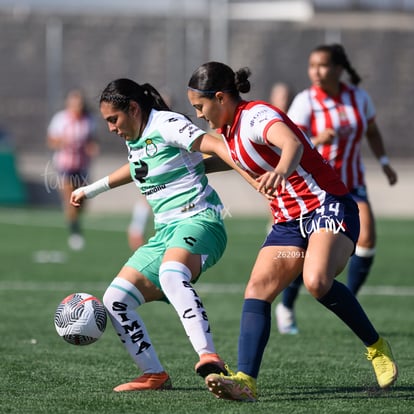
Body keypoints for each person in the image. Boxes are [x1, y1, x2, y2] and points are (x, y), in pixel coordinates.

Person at [186, 61, 398, 401]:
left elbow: (292, 145)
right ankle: (246, 381)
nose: (198, 115)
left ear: (221, 97)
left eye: (200, 107)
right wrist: (182, 171)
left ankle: (376, 346)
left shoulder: (257, 116)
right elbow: (233, 158)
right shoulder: (228, 131)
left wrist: (283, 170)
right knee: (257, 289)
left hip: (328, 206)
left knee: (316, 281)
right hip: (288, 221)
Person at [70, 78, 255, 393]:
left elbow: (213, 145)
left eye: (113, 119)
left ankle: (209, 357)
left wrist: (253, 173)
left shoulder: (167, 123)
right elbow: (136, 168)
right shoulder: (136, 135)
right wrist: (92, 189)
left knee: (171, 273)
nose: (112, 128)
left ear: (133, 108)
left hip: (201, 220)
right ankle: (154, 374)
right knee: (116, 300)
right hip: (166, 232)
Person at [276, 44, 398, 335]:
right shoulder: (306, 101)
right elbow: (289, 141)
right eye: (312, 66)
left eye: (323, 65)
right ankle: (286, 306)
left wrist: (384, 162)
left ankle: (347, 299)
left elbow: (371, 130)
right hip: (316, 188)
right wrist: (317, 138)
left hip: (352, 184)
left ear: (339, 69)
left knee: (367, 238)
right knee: (302, 252)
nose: (316, 72)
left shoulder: (359, 98)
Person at [47, 89, 99, 250]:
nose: (77, 106)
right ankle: (75, 233)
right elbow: (51, 141)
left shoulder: (89, 120)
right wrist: (62, 142)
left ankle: (74, 221)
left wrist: (93, 148)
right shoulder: (61, 119)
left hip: (82, 165)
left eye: (79, 103)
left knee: (82, 202)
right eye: (74, 103)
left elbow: (92, 140)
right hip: (65, 165)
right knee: (71, 199)